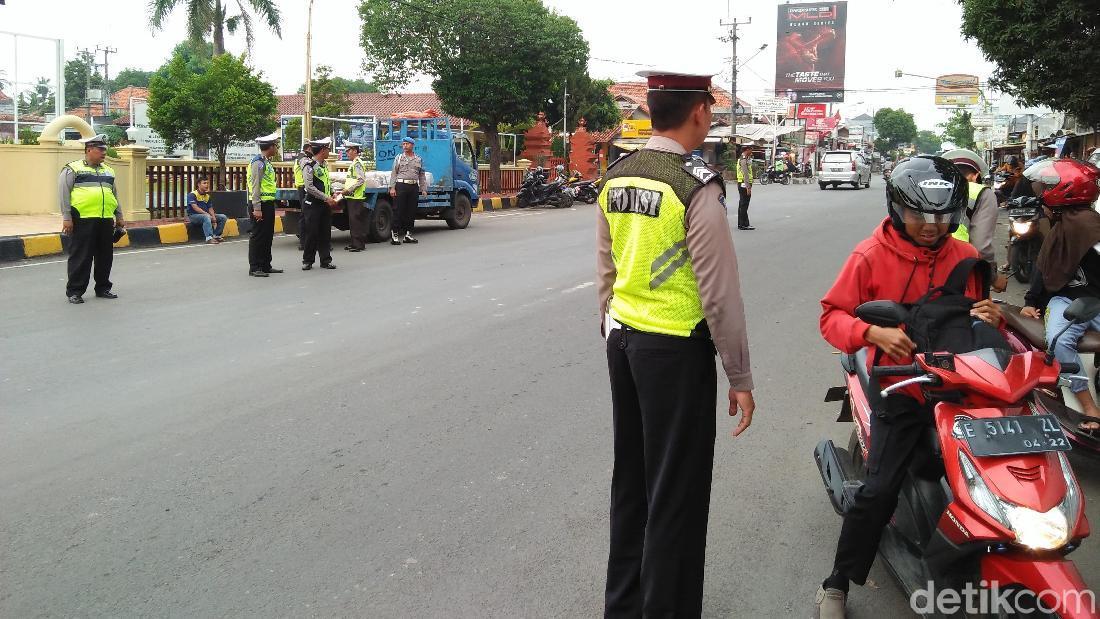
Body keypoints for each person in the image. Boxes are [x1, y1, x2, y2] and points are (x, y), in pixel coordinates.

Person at [596, 69, 756, 617]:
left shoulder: (618, 174)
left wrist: (612, 328)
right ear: (699, 113)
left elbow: (607, 268)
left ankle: (623, 606)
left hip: (625, 344)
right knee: (677, 495)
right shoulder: (695, 184)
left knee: (633, 484)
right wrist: (739, 377)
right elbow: (719, 293)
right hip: (674, 352)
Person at [814, 155, 1003, 619]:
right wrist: (871, 334)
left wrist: (991, 314)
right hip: (902, 387)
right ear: (898, 208)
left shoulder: (967, 258)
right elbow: (831, 317)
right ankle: (837, 583)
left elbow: (979, 311)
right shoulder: (869, 256)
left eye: (942, 216)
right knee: (878, 490)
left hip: (961, 386)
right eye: (919, 214)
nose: (931, 226)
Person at [1020, 158, 1100, 431]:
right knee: (1057, 340)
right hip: (1065, 301)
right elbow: (1043, 270)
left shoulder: (1090, 227)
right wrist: (1031, 302)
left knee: (1058, 341)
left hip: (1096, 303)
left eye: (1048, 187)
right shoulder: (1059, 228)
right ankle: (1090, 408)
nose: (1042, 194)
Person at [60, 134, 125, 304]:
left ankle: (103, 288)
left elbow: (114, 195)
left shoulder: (108, 171)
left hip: (104, 220)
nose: (104, 153)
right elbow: (64, 195)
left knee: (105, 256)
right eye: (100, 149)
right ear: (89, 150)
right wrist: (67, 218)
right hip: (82, 219)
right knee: (81, 256)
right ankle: (75, 291)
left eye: (105, 149)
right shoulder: (72, 169)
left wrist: (119, 216)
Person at [943, 148, 1008, 292]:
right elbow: (981, 247)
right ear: (975, 175)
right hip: (962, 268)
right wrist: (993, 278)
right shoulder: (982, 193)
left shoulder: (934, 190)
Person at [247, 132, 284, 277]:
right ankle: (255, 267)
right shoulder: (258, 163)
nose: (276, 148)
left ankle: (266, 265)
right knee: (258, 236)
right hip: (259, 205)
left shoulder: (266, 162)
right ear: (270, 146)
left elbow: (268, 186)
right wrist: (257, 208)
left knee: (268, 236)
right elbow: (255, 186)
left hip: (268, 204)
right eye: (275, 145)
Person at [301, 136, 337, 270]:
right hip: (313, 204)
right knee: (312, 233)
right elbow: (309, 187)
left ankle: (325, 260)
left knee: (325, 233)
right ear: (322, 150)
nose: (329, 152)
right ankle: (308, 260)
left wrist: (332, 192)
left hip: (325, 205)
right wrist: (325, 197)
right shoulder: (309, 166)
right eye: (328, 149)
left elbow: (326, 182)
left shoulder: (324, 165)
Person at [388, 136, 427, 245]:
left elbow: (422, 175)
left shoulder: (418, 159)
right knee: (398, 210)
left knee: (411, 211)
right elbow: (394, 173)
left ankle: (408, 235)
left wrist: (423, 189)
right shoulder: (399, 157)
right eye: (403, 144)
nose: (405, 146)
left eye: (407, 144)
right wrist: (392, 187)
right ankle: (395, 234)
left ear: (412, 145)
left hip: (413, 187)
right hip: (401, 185)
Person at [343, 141, 369, 252]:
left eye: (348, 150)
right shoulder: (354, 163)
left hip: (356, 197)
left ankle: (359, 245)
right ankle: (354, 243)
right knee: (353, 221)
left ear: (354, 151)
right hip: (352, 197)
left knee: (356, 221)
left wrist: (349, 190)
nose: (347, 153)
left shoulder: (357, 163)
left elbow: (361, 180)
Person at [185, 177, 228, 244]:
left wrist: (213, 216)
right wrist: (207, 214)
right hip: (193, 216)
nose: (207, 185)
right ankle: (209, 238)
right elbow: (195, 208)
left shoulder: (207, 196)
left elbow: (210, 208)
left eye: (207, 183)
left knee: (223, 217)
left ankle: (216, 235)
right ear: (199, 185)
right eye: (204, 183)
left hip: (205, 215)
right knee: (206, 217)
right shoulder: (192, 195)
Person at [293, 142, 314, 251]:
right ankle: (304, 242)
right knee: (306, 215)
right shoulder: (303, 158)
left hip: (303, 187)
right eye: (313, 149)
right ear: (308, 148)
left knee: (305, 214)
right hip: (304, 188)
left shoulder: (300, 157)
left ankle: (305, 242)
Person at [735, 146, 754, 230]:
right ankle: (743, 224)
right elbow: (745, 174)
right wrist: (748, 187)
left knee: (742, 204)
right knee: (744, 204)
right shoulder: (743, 160)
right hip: (744, 184)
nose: (751, 151)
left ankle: (743, 224)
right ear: (747, 150)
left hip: (742, 183)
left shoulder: (744, 159)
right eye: (751, 149)